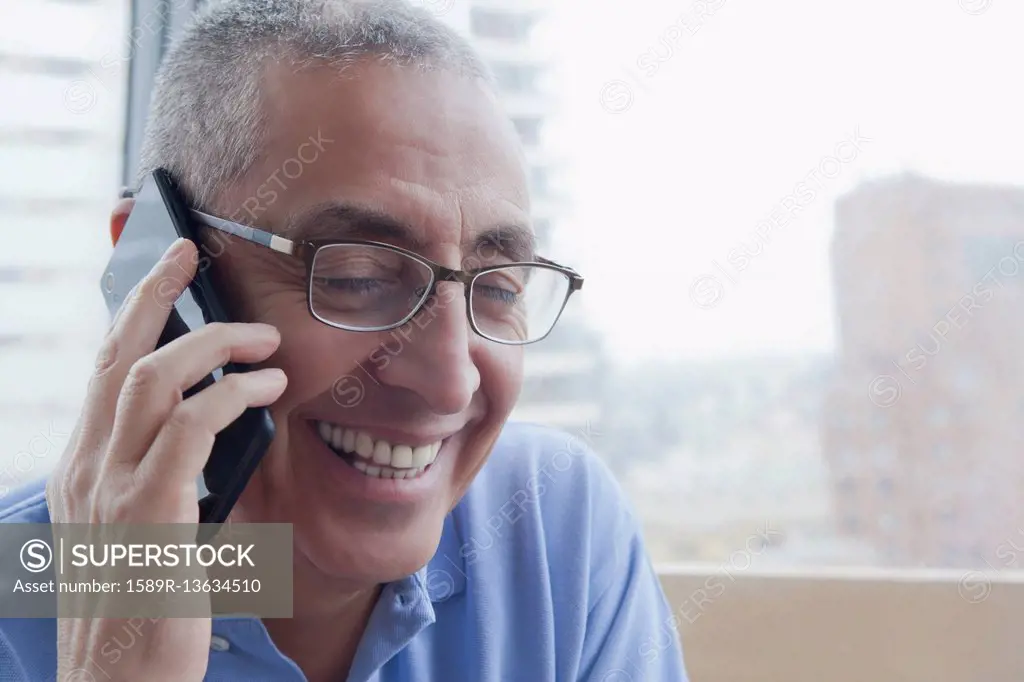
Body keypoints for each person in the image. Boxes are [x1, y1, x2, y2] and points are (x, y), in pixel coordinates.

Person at [0, 0, 689, 679]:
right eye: (357, 275)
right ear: (158, 265)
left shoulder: (552, 528)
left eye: (498, 289)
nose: (451, 383)